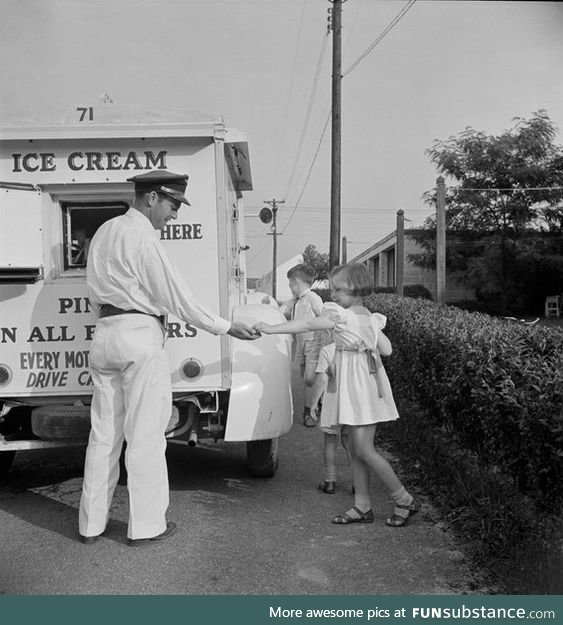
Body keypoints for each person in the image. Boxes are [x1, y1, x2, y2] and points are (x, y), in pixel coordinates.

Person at [79, 170, 258, 546]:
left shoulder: (105, 231)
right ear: (151, 198)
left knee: (103, 435)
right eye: (173, 205)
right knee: (145, 436)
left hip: (105, 334)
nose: (174, 214)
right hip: (139, 336)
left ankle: (90, 526)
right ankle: (146, 527)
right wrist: (226, 326)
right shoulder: (143, 238)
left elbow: (94, 290)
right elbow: (179, 299)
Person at [255, 263, 419, 527]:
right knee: (356, 449)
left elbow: (309, 322)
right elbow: (386, 350)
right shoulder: (368, 316)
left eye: (339, 289)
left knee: (364, 450)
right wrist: (365, 342)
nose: (333, 294)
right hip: (364, 385)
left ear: (357, 287)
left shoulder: (343, 316)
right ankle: (362, 506)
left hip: (359, 389)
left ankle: (404, 499)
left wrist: (272, 328)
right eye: (332, 289)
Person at [279, 263, 327, 427]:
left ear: (296, 281)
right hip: (300, 344)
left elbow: (324, 317)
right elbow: (281, 311)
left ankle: (310, 411)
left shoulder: (314, 299)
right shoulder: (295, 301)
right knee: (304, 376)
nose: (290, 287)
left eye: (290, 283)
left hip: (313, 343)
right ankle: (317, 399)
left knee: (308, 379)